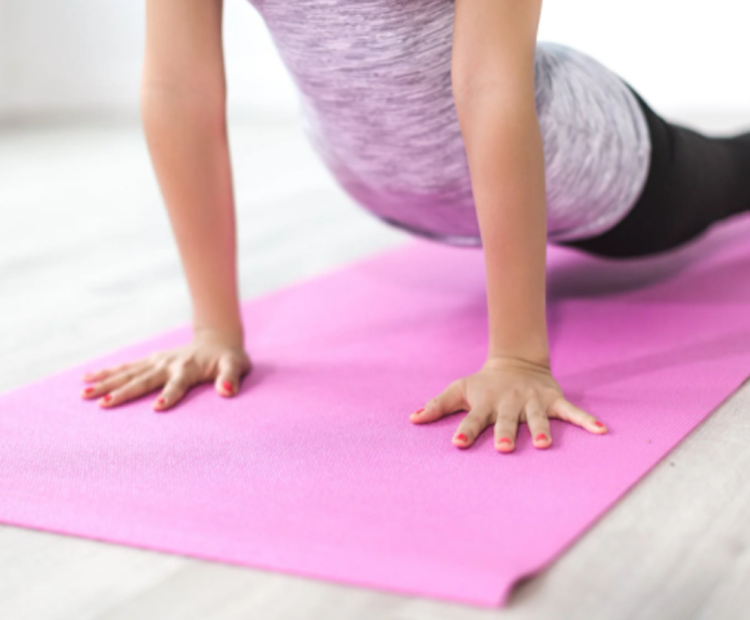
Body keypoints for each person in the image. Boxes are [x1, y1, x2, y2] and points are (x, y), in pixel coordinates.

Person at [79, 0, 750, 453]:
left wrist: (518, 359)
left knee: (733, 174)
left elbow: (491, 83)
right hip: (389, 183)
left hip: (580, 160)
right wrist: (213, 330)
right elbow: (179, 89)